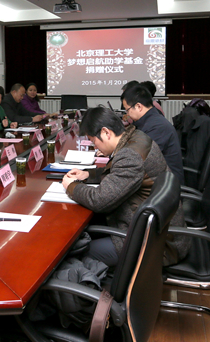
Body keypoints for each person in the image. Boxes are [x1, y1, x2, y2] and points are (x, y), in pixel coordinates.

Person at [61, 107, 189, 267]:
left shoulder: (130, 156)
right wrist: (88, 174)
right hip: (155, 229)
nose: (95, 147)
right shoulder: (136, 136)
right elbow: (119, 175)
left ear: (106, 132)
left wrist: (71, 186)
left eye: (94, 141)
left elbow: (99, 200)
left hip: (155, 244)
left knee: (73, 252)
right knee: (84, 234)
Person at [121, 84, 184, 184]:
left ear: (138, 106)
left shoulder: (157, 126)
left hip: (166, 184)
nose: (127, 114)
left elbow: (139, 159)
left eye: (127, 110)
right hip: (157, 177)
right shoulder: (149, 121)